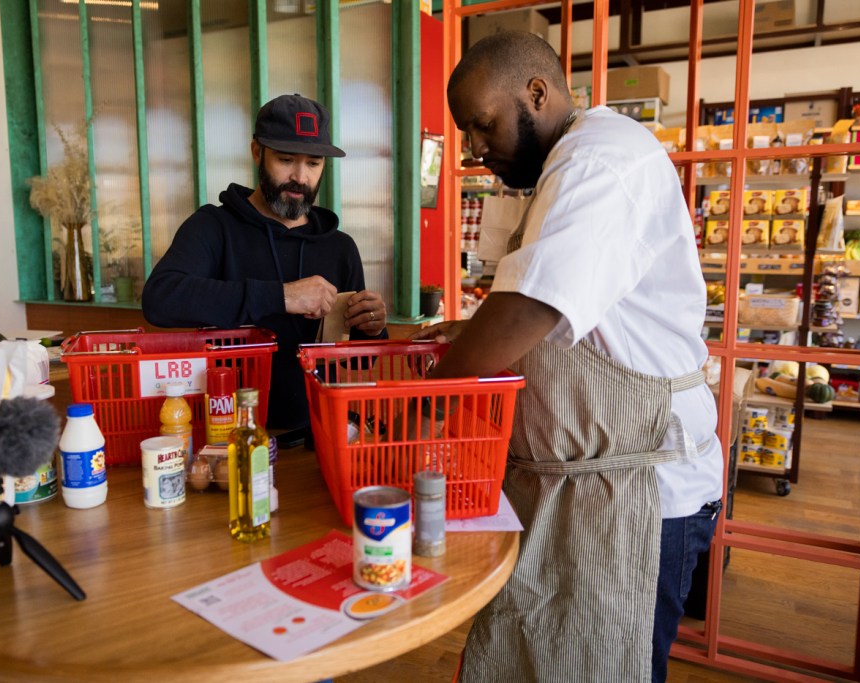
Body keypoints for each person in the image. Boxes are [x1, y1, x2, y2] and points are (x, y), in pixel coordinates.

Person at [412, 32, 722, 682]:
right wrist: (459, 335)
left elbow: (531, 309)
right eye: (466, 131)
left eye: (483, 124)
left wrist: (416, 409)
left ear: (537, 93)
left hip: (634, 500)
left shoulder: (599, 163)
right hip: (577, 491)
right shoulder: (570, 166)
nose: (473, 147)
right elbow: (569, 318)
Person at [142, 94, 387, 431]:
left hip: (317, 438)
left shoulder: (339, 247)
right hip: (227, 432)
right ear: (257, 152)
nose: (300, 177)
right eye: (286, 159)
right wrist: (282, 296)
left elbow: (356, 362)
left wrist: (371, 327)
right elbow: (160, 299)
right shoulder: (213, 228)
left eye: (313, 163)